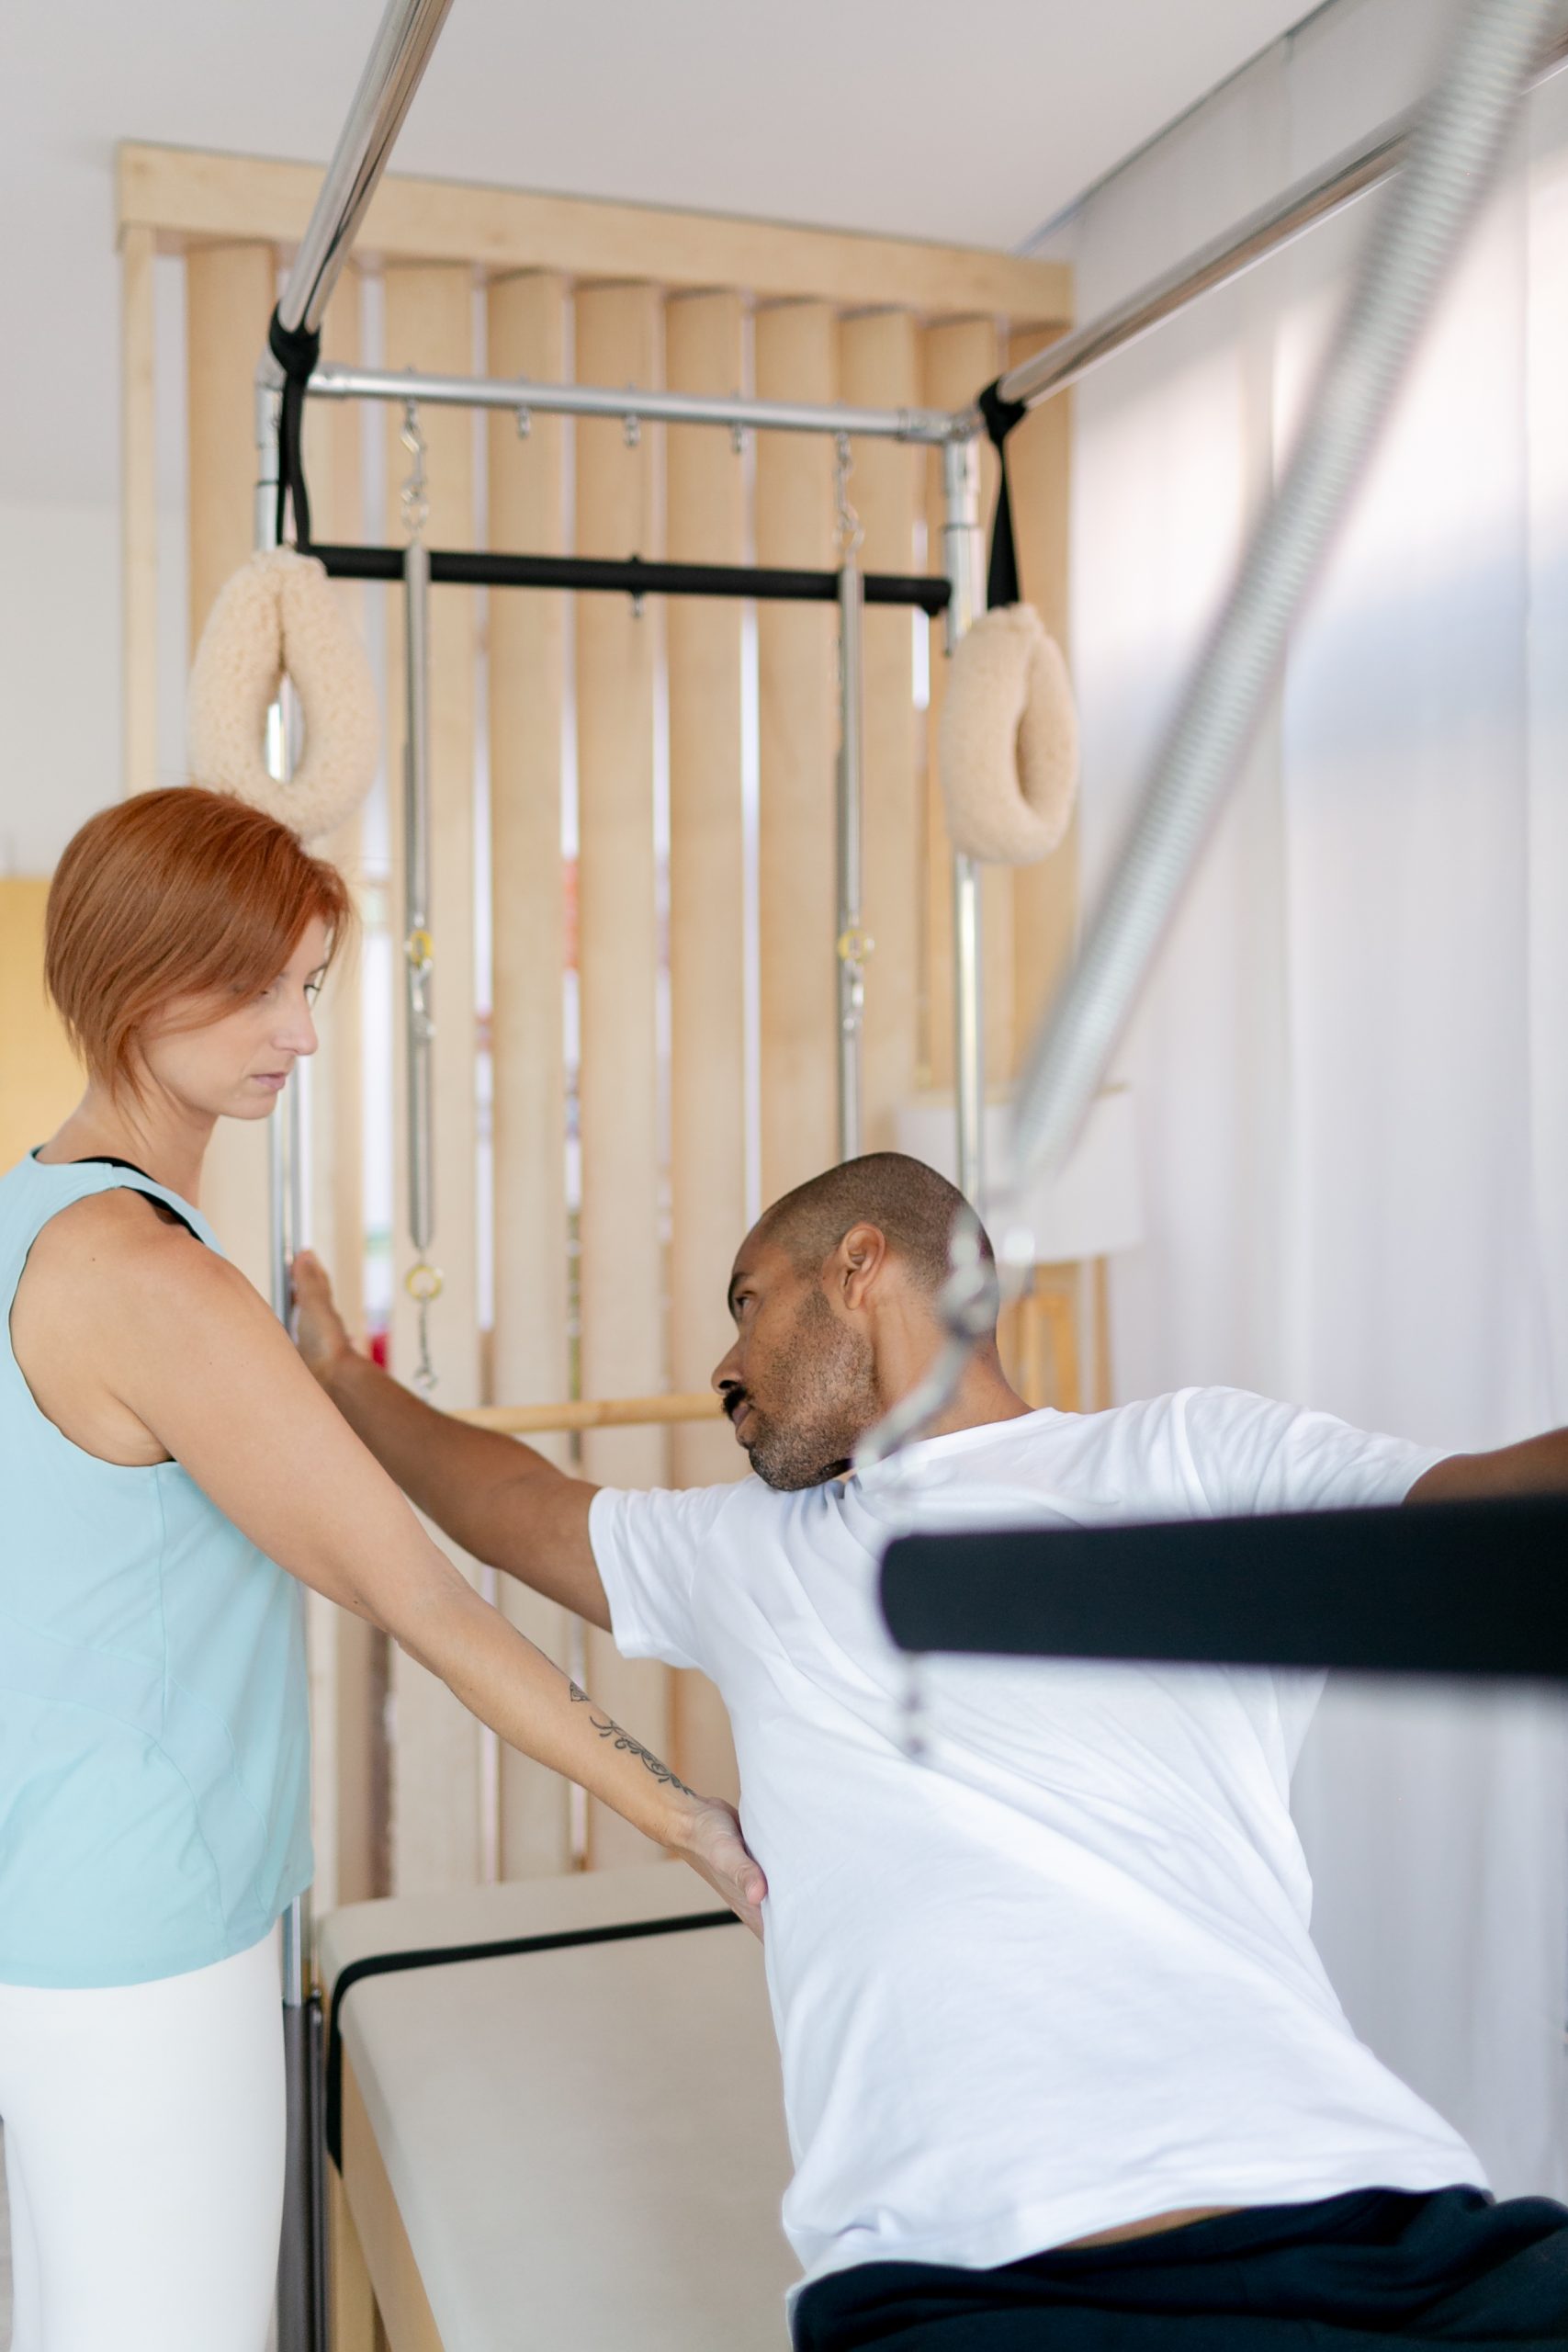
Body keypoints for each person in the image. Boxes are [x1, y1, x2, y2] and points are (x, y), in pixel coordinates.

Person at [293, 1149, 1568, 2348]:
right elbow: (513, 1504)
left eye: (747, 1303)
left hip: (1371, 2230)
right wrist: (344, 1379)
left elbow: (1487, 1507)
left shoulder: (1187, 1457)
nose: (725, 1368)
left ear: (860, 1266)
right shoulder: (748, 1554)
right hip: (973, 2283)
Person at [0, 786, 762, 2352]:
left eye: (310, 987)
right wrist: (690, 1823)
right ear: (144, 980)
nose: (302, 1032)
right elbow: (419, 1597)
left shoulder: (29, 1218)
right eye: (263, 990)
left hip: (46, 1911)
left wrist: (314, 1380)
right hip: (144, 1945)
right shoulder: (153, 1280)